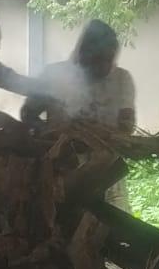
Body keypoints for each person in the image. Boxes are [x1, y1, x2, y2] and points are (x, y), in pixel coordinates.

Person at [21, 19, 136, 207]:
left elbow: (127, 125)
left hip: (107, 171)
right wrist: (53, 135)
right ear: (82, 54)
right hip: (63, 170)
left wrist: (104, 134)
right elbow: (28, 114)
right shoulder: (53, 75)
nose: (105, 67)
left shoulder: (121, 79)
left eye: (110, 59)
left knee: (111, 229)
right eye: (99, 60)